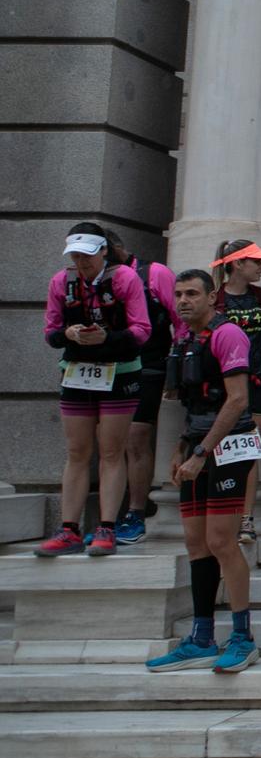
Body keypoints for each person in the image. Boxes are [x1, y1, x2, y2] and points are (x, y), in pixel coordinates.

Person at [144, 270, 258, 673]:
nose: (183, 300)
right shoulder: (184, 337)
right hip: (197, 442)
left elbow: (238, 400)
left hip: (228, 446)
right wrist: (180, 449)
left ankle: (243, 637)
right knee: (195, 542)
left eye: (192, 293)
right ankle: (202, 637)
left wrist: (202, 452)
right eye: (178, 294)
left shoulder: (228, 335)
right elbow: (191, 402)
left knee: (222, 540)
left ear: (213, 297)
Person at [39, 223, 150, 557]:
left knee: (112, 450)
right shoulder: (62, 281)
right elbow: (50, 331)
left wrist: (108, 338)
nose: (81, 262)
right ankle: (69, 529)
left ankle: (107, 527)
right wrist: (69, 334)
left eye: (87, 255)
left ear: (104, 251)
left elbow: (142, 330)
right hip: (77, 371)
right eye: (75, 256)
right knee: (76, 450)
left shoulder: (125, 279)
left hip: (119, 371)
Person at [211, 239, 261, 545]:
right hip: (220, 387)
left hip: (256, 382)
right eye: (256, 262)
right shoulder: (214, 300)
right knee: (216, 449)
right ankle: (219, 515)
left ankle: (246, 519)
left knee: (249, 450)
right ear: (237, 264)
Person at [108, 232, 179, 545]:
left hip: (148, 364)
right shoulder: (90, 279)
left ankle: (136, 511)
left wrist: (176, 373)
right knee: (110, 442)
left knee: (136, 436)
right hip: (107, 367)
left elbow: (182, 320)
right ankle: (108, 517)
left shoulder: (154, 273)